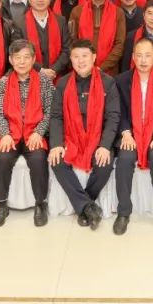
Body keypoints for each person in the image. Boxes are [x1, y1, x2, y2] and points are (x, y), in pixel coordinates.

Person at [49, 39, 120, 230]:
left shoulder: (108, 82)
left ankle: (83, 206)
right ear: (70, 59)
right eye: (76, 56)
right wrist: (56, 144)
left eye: (85, 56)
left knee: (104, 164)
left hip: (98, 139)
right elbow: (56, 116)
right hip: (71, 139)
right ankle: (89, 207)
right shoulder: (63, 83)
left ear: (94, 57)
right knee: (56, 160)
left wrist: (105, 145)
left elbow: (113, 117)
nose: (80, 61)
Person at [113, 38, 153, 235]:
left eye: (148, 55)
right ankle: (123, 212)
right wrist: (125, 133)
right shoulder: (122, 80)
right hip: (130, 133)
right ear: (132, 57)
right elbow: (119, 111)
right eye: (139, 55)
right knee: (125, 158)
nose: (143, 60)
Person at [0, 39, 55, 227]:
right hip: (11, 133)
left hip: (34, 132)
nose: (22, 62)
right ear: (11, 60)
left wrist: (39, 132)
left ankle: (40, 204)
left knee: (38, 159)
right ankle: (2, 205)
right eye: (17, 57)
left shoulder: (44, 81)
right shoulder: (4, 82)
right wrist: (5, 134)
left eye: (26, 57)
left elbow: (50, 111)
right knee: (2, 158)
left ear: (34, 59)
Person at [69, 0, 126, 75]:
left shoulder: (118, 12)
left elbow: (120, 44)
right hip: (82, 69)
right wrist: (85, 66)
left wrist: (102, 68)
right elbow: (72, 40)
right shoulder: (77, 11)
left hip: (109, 71)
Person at [23, 0, 72, 80]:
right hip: (29, 77)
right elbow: (20, 53)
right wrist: (41, 70)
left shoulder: (61, 21)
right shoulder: (19, 23)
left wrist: (54, 70)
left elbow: (67, 50)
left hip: (57, 76)